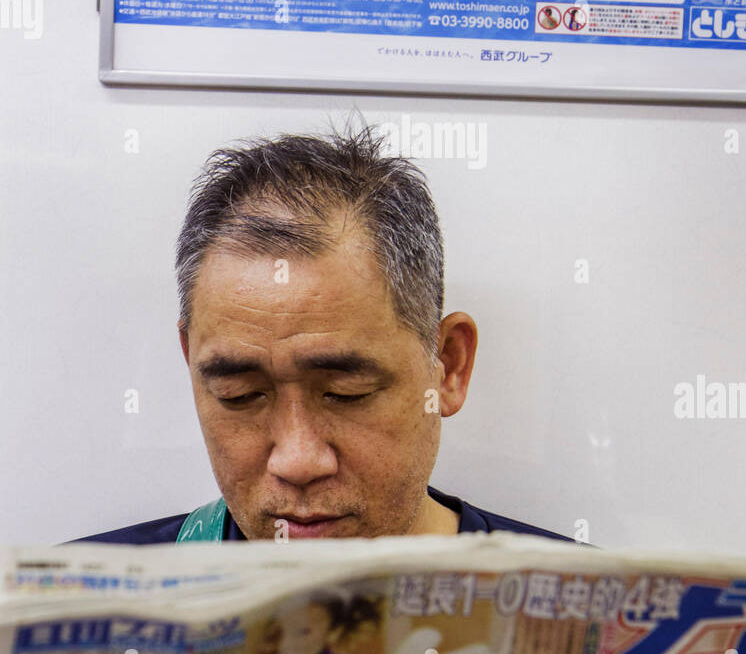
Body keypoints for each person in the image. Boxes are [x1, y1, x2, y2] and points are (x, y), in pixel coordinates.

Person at [76, 125, 575, 546]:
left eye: (344, 393)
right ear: (191, 363)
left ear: (448, 366)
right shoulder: (77, 609)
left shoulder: (591, 619)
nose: (297, 462)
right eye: (240, 394)